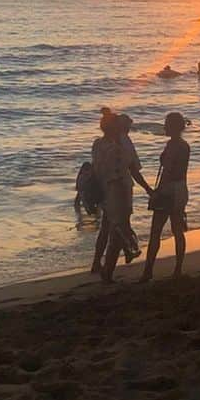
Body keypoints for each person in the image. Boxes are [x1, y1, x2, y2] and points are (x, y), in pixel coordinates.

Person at [141, 112, 191, 281]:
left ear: (173, 126)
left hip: (169, 189)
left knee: (156, 231)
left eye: (167, 124)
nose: (165, 127)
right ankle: (178, 268)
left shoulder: (172, 146)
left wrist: (157, 193)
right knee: (177, 229)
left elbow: (167, 172)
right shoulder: (184, 145)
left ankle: (148, 270)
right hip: (181, 188)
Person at [90, 110, 140, 279]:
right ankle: (109, 271)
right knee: (119, 228)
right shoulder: (120, 146)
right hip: (119, 191)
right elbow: (132, 169)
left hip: (103, 191)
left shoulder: (97, 144)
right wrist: (148, 189)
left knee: (106, 227)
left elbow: (97, 169)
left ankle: (97, 262)